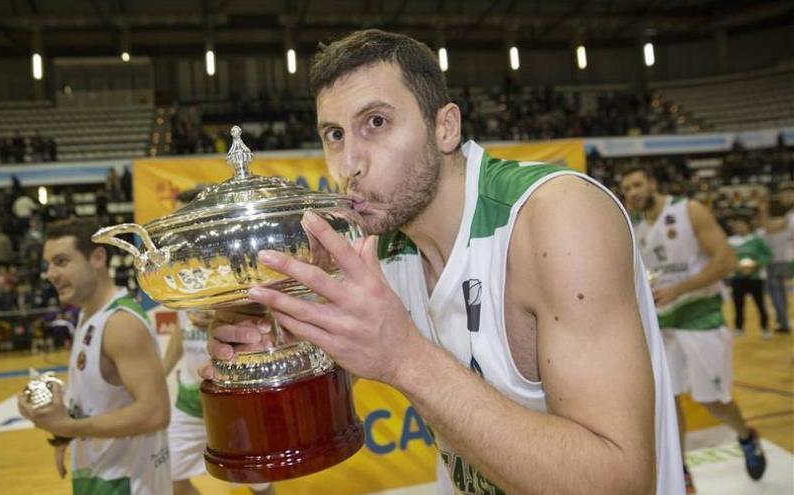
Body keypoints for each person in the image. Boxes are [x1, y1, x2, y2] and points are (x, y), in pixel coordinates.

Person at [202, 29, 683, 494]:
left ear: (445, 127)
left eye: (376, 122)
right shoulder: (383, 248)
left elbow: (619, 481)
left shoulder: (553, 216)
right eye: (333, 134)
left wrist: (404, 357)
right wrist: (274, 344)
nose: (349, 163)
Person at [620, 166, 767, 493]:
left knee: (713, 401)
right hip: (665, 324)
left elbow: (726, 260)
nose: (632, 192)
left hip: (701, 317)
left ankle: (745, 436)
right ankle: (681, 471)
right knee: (667, 404)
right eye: (627, 188)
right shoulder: (638, 228)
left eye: (638, 184)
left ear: (653, 183)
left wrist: (680, 289)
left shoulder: (689, 210)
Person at [17, 218, 171, 494]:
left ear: (98, 257)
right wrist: (65, 434)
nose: (50, 274)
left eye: (61, 261)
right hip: (100, 474)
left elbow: (155, 413)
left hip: (127, 483)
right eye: (48, 264)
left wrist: (68, 426)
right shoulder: (89, 313)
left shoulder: (121, 323)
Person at [160, 189, 276, 495]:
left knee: (258, 482)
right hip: (189, 397)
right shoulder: (179, 271)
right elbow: (180, 331)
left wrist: (217, 313)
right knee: (169, 476)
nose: (178, 226)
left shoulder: (240, 259)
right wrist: (160, 373)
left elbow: (264, 321)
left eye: (185, 217)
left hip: (234, 394)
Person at [727, 214, 773, 339]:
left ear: (748, 226)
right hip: (738, 277)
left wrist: (756, 264)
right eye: (737, 225)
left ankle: (765, 328)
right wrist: (736, 266)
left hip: (755, 277)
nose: (739, 227)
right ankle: (738, 328)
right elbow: (727, 258)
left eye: (742, 224)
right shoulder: (730, 241)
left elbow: (768, 255)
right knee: (738, 304)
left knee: (760, 304)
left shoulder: (757, 240)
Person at [757, 193, 793, 334]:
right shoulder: (787, 220)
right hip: (786, 262)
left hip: (774, 263)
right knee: (782, 292)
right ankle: (782, 319)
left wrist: (762, 210)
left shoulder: (781, 223)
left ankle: (783, 322)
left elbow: (766, 227)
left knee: (776, 293)